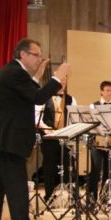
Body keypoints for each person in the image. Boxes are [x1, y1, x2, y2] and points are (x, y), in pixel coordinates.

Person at [0, 38, 70, 220]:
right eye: (36, 55)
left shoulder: (9, 72)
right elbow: (37, 97)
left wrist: (38, 77)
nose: (39, 59)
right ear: (23, 54)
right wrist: (57, 77)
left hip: (0, 139)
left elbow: (27, 94)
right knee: (18, 191)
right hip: (9, 141)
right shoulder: (16, 73)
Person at [40, 75, 76, 203]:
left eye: (64, 82)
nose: (62, 84)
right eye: (60, 82)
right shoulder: (44, 97)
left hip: (65, 138)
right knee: (49, 167)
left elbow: (73, 118)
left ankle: (71, 196)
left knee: (68, 166)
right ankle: (49, 196)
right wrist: (45, 129)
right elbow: (37, 117)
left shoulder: (71, 99)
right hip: (49, 138)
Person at [87, 80, 111, 204]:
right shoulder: (93, 106)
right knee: (96, 169)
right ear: (101, 92)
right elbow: (91, 123)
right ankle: (92, 198)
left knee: (109, 171)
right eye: (107, 90)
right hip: (96, 142)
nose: (109, 93)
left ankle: (104, 198)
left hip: (110, 143)